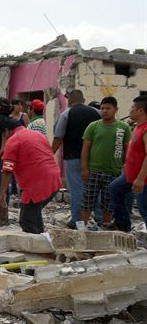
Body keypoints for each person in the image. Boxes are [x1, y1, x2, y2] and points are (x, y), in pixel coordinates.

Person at [0, 118, 62, 233]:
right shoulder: (37, 135)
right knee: (34, 215)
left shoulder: (13, 141)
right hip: (54, 179)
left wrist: (2, 194)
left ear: (6, 131)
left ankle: (37, 247)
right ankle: (43, 240)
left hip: (37, 184)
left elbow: (7, 171)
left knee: (26, 221)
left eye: (3, 135)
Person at [52, 89, 101, 228]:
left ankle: (77, 221)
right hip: (94, 158)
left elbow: (58, 137)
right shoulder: (96, 113)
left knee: (77, 189)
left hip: (73, 157)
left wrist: (50, 155)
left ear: (70, 100)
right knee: (95, 188)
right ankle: (101, 217)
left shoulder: (66, 114)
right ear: (83, 99)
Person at [80, 96, 131, 228]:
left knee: (108, 205)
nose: (104, 111)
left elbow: (127, 149)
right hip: (94, 171)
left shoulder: (123, 127)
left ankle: (106, 227)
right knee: (87, 202)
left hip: (113, 172)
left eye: (108, 108)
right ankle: (81, 229)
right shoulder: (93, 126)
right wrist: (84, 168)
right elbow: (85, 148)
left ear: (116, 109)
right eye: (102, 108)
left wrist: (126, 167)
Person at [110, 94, 147, 231]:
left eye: (132, 107)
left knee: (144, 209)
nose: (129, 110)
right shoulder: (138, 126)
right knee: (115, 188)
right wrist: (128, 164)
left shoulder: (146, 129)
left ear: (140, 111)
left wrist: (140, 179)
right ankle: (123, 224)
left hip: (142, 179)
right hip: (130, 175)